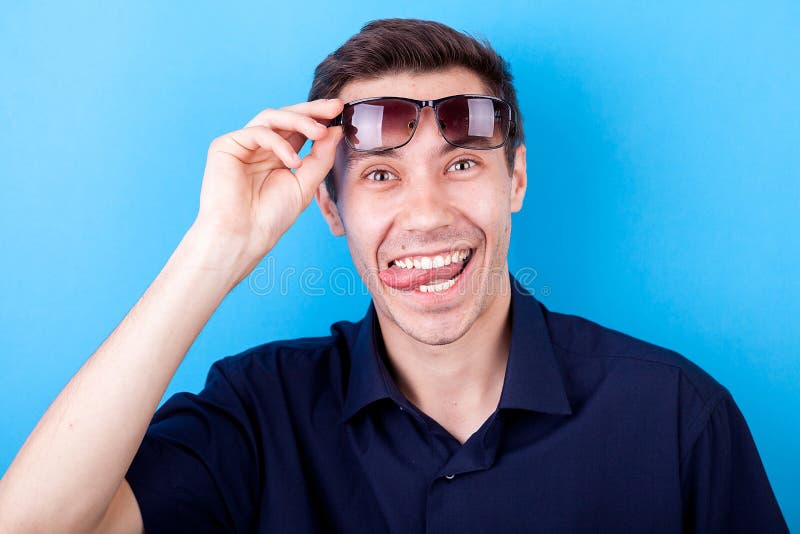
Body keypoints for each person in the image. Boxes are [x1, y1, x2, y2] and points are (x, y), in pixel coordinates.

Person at [0, 17, 789, 534]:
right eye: (379, 176)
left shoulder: (678, 417)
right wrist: (217, 247)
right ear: (331, 208)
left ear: (515, 179)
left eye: (463, 162)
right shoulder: (256, 416)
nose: (426, 213)